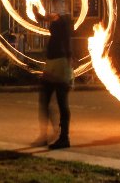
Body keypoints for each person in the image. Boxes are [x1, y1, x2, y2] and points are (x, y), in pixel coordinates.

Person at [38, 9, 73, 149]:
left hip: (61, 62)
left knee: (61, 101)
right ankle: (45, 135)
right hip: (52, 62)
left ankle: (64, 137)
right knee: (44, 99)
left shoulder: (65, 18)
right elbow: (42, 17)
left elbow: (45, 16)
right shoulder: (58, 18)